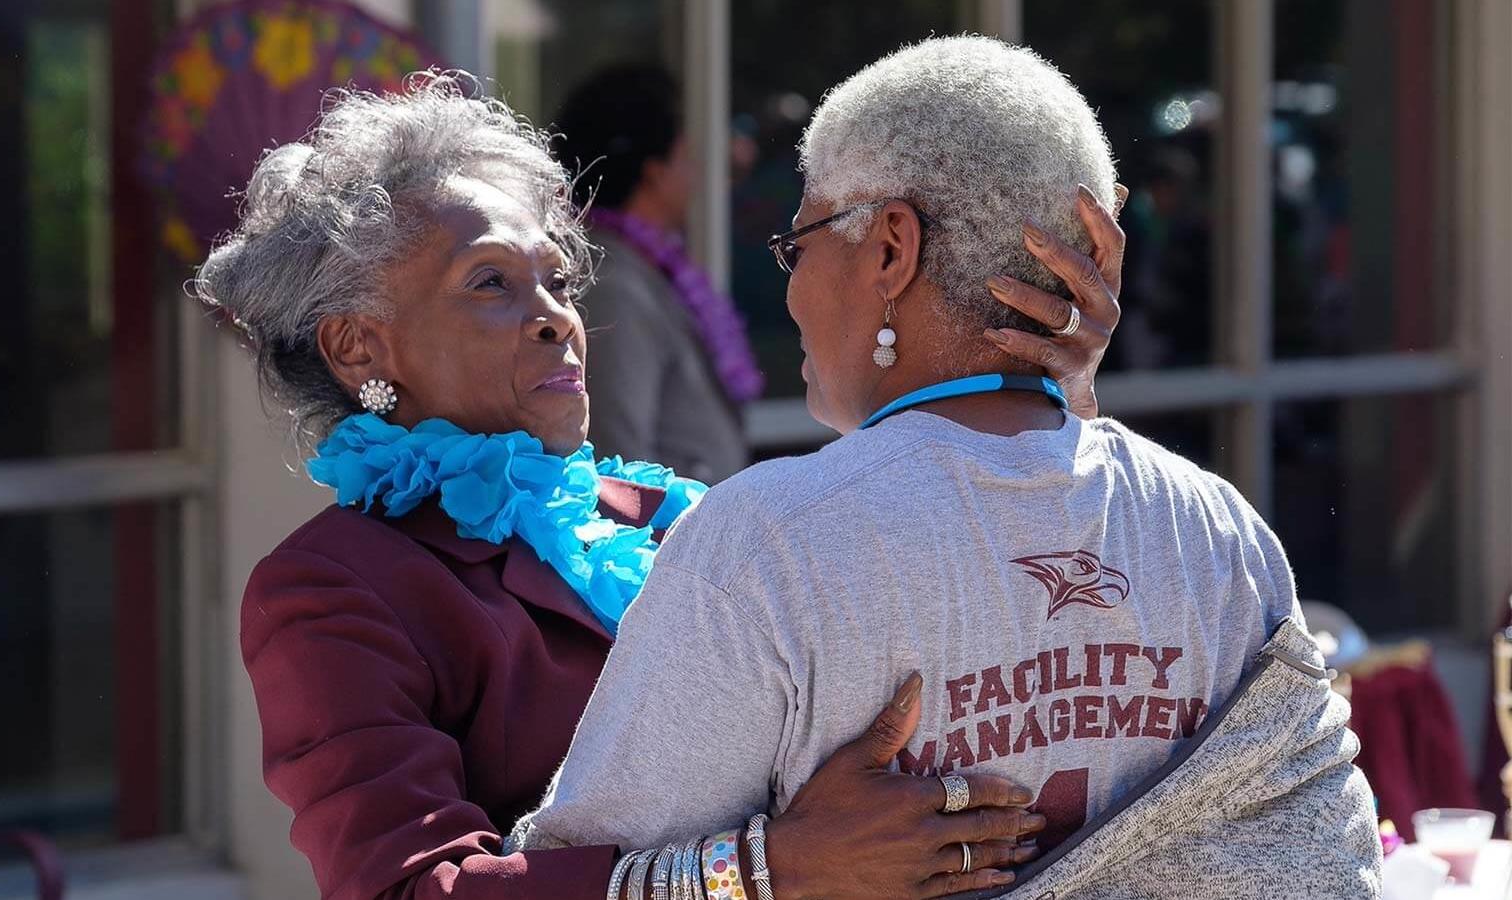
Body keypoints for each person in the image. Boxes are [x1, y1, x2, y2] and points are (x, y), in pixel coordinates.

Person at [200, 70, 1124, 900]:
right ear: (359, 345)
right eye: (491, 283)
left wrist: (1047, 401)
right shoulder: (332, 588)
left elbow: (939, 588)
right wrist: (767, 874)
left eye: (557, 279)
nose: (556, 318)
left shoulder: (671, 512)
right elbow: (409, 892)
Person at [514, 36, 1382, 899]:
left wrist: (764, 871)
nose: (792, 285)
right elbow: (1324, 862)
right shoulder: (1217, 531)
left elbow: (570, 886)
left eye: (801, 240)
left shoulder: (765, 546)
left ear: (891, 248)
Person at [552, 64, 759, 482]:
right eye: (688, 155)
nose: (697, 174)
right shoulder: (612, 283)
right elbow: (616, 459)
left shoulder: (641, 264)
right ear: (655, 172)